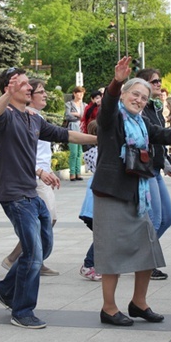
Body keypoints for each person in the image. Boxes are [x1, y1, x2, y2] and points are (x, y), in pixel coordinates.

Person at [0, 68, 95, 329]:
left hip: (32, 191)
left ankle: (5, 289)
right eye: (22, 84)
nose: (29, 88)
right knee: (34, 253)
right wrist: (8, 94)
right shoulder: (5, 116)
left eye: (27, 84)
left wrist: (102, 139)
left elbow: (66, 135)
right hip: (14, 195)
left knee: (43, 247)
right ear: (8, 89)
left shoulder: (33, 118)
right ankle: (22, 310)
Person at [90, 57, 171, 327]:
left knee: (147, 248)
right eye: (135, 94)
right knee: (111, 253)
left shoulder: (143, 123)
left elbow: (166, 136)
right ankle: (109, 308)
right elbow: (108, 105)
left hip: (138, 193)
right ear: (124, 94)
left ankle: (139, 303)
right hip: (111, 193)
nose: (139, 100)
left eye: (144, 97)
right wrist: (117, 80)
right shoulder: (112, 118)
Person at [1, 79, 61, 276]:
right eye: (40, 91)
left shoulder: (37, 117)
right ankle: (24, 259)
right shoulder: (16, 118)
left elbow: (59, 137)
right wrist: (39, 171)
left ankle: (30, 258)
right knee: (45, 219)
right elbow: (20, 152)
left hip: (42, 175)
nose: (45, 95)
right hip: (31, 178)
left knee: (46, 220)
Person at [137, 68, 171, 281]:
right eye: (154, 81)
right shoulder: (140, 110)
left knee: (167, 219)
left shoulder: (155, 107)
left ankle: (143, 256)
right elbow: (156, 136)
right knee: (154, 220)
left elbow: (159, 139)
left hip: (156, 168)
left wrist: (168, 163)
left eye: (159, 80)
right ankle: (146, 262)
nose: (158, 84)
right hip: (145, 170)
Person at [78, 120, 102, 281]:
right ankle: (89, 264)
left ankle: (96, 264)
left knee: (105, 237)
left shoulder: (92, 152)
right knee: (104, 237)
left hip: (91, 208)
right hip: (95, 207)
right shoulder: (100, 152)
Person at [65, 86, 86, 181]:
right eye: (78, 93)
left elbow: (84, 116)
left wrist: (77, 114)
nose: (80, 95)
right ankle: (72, 173)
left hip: (81, 129)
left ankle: (78, 173)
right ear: (74, 93)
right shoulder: (69, 104)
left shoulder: (84, 105)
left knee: (79, 153)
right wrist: (78, 115)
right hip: (72, 129)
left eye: (82, 93)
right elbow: (68, 116)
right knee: (73, 152)